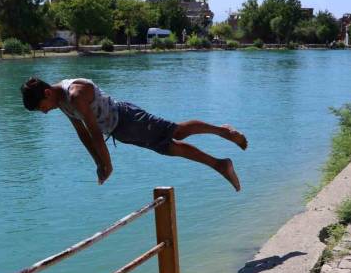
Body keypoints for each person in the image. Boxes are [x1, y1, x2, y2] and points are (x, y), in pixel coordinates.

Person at [20, 77, 247, 191]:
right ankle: (220, 165)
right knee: (170, 147)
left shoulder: (75, 95)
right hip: (121, 131)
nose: (44, 112)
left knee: (177, 132)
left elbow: (95, 134)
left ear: (47, 93)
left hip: (128, 118)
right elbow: (82, 134)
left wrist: (107, 165)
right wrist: (98, 163)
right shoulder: (60, 101)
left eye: (42, 107)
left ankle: (223, 131)